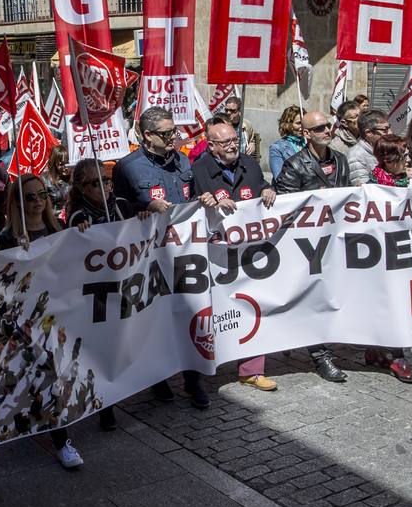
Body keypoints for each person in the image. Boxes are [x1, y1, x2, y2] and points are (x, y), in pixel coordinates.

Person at [111, 106, 209, 408]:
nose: (173, 138)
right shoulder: (127, 167)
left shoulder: (183, 160)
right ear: (147, 135)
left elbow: (192, 197)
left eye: (174, 132)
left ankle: (193, 379)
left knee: (190, 313)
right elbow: (119, 211)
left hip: (184, 253)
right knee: (155, 318)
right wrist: (142, 209)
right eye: (166, 134)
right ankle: (158, 377)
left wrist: (203, 200)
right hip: (150, 257)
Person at [0, 174, 89, 467]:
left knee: (58, 375)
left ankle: (58, 433)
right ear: (17, 202)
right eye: (30, 197)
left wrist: (83, 234)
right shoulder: (6, 238)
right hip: (27, 320)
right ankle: (58, 438)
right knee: (46, 377)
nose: (38, 201)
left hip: (60, 315)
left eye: (43, 194)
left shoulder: (57, 229)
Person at [191, 116, 280, 392]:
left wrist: (267, 190)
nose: (233, 145)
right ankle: (203, 370)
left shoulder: (249, 164)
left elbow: (261, 185)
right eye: (226, 142)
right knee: (213, 311)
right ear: (212, 146)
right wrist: (206, 201)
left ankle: (252, 371)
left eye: (235, 140)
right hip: (215, 256)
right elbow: (191, 205)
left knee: (254, 305)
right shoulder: (199, 169)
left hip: (249, 254)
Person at [274, 110, 351, 383]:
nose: (325, 131)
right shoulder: (295, 165)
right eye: (318, 128)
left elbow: (348, 196)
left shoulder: (340, 160)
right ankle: (321, 356)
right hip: (307, 245)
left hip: (335, 240)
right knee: (313, 297)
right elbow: (285, 205)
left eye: (327, 126)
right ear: (306, 134)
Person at [65, 159, 134, 431]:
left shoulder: (121, 205)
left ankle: (155, 380)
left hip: (127, 285)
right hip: (98, 293)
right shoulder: (79, 216)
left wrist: (144, 215)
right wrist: (80, 232)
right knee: (103, 348)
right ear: (82, 188)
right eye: (95, 183)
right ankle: (106, 404)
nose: (104, 186)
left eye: (106, 180)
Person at [365, 134, 412, 383]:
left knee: (400, 301)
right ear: (388, 160)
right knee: (385, 302)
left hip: (403, 254)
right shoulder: (372, 186)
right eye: (403, 156)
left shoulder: (409, 181)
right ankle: (396, 357)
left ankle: (380, 351)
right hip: (378, 255)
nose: (407, 160)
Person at [347, 109, 389, 186]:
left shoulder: (386, 149)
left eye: (389, 128)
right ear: (368, 133)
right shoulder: (356, 156)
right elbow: (363, 187)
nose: (390, 132)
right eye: (384, 130)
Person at [267, 105, 305, 179]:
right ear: (288, 124)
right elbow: (279, 178)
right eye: (298, 123)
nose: (302, 126)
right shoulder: (277, 148)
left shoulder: (309, 143)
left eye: (304, 123)